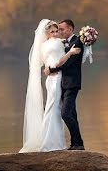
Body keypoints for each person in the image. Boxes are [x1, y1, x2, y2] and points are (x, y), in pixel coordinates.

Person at [19, 20, 82, 153]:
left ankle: (65, 141)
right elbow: (59, 61)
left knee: (55, 109)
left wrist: (50, 68)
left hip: (55, 79)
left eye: (57, 31)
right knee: (55, 109)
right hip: (57, 78)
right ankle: (52, 142)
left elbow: (47, 62)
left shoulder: (43, 46)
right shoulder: (58, 43)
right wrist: (70, 52)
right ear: (47, 33)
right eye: (52, 31)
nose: (55, 33)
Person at [44, 19, 84, 150]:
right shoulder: (63, 43)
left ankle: (77, 143)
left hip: (72, 83)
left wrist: (52, 70)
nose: (59, 32)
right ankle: (77, 144)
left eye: (62, 29)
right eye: (57, 30)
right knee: (72, 114)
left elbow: (68, 64)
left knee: (65, 114)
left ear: (71, 29)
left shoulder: (77, 42)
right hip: (62, 83)